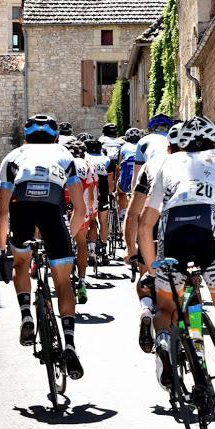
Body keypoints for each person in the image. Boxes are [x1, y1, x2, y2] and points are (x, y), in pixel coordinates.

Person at [139, 115, 215, 412]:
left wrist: (150, 265)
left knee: (168, 308)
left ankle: (166, 342)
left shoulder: (168, 164)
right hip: (212, 229)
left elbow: (146, 224)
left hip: (173, 230)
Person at [0, 114, 86, 379]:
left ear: (26, 138)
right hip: (52, 213)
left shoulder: (12, 157)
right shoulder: (65, 156)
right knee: (64, 283)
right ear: (56, 138)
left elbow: (2, 212)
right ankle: (69, 342)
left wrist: (2, 249)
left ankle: (25, 315)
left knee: (22, 262)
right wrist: (68, 234)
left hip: (21, 210)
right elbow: (79, 209)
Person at [124, 122, 182, 353]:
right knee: (187, 282)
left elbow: (133, 213)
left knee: (148, 276)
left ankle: (147, 310)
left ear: (169, 147)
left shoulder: (152, 163)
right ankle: (193, 337)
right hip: (188, 224)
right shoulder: (201, 161)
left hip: (154, 220)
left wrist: (130, 248)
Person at [64, 139, 96, 305]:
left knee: (57, 241)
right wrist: (90, 214)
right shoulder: (87, 165)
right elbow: (90, 196)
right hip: (81, 206)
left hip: (63, 206)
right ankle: (82, 282)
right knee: (81, 242)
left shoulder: (62, 162)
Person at [85, 137, 114, 265]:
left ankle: (90, 248)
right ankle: (103, 248)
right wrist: (110, 194)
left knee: (91, 221)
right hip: (103, 193)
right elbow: (110, 182)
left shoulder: (85, 159)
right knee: (103, 221)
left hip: (90, 192)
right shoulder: (106, 160)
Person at [131, 114, 174, 190]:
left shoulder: (143, 141)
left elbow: (137, 175)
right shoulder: (175, 139)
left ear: (151, 128)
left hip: (153, 178)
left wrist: (133, 196)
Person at [116, 127, 142, 225]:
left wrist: (116, 183)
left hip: (126, 179)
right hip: (141, 179)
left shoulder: (123, 147)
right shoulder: (143, 146)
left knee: (120, 192)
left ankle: (123, 212)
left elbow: (118, 168)